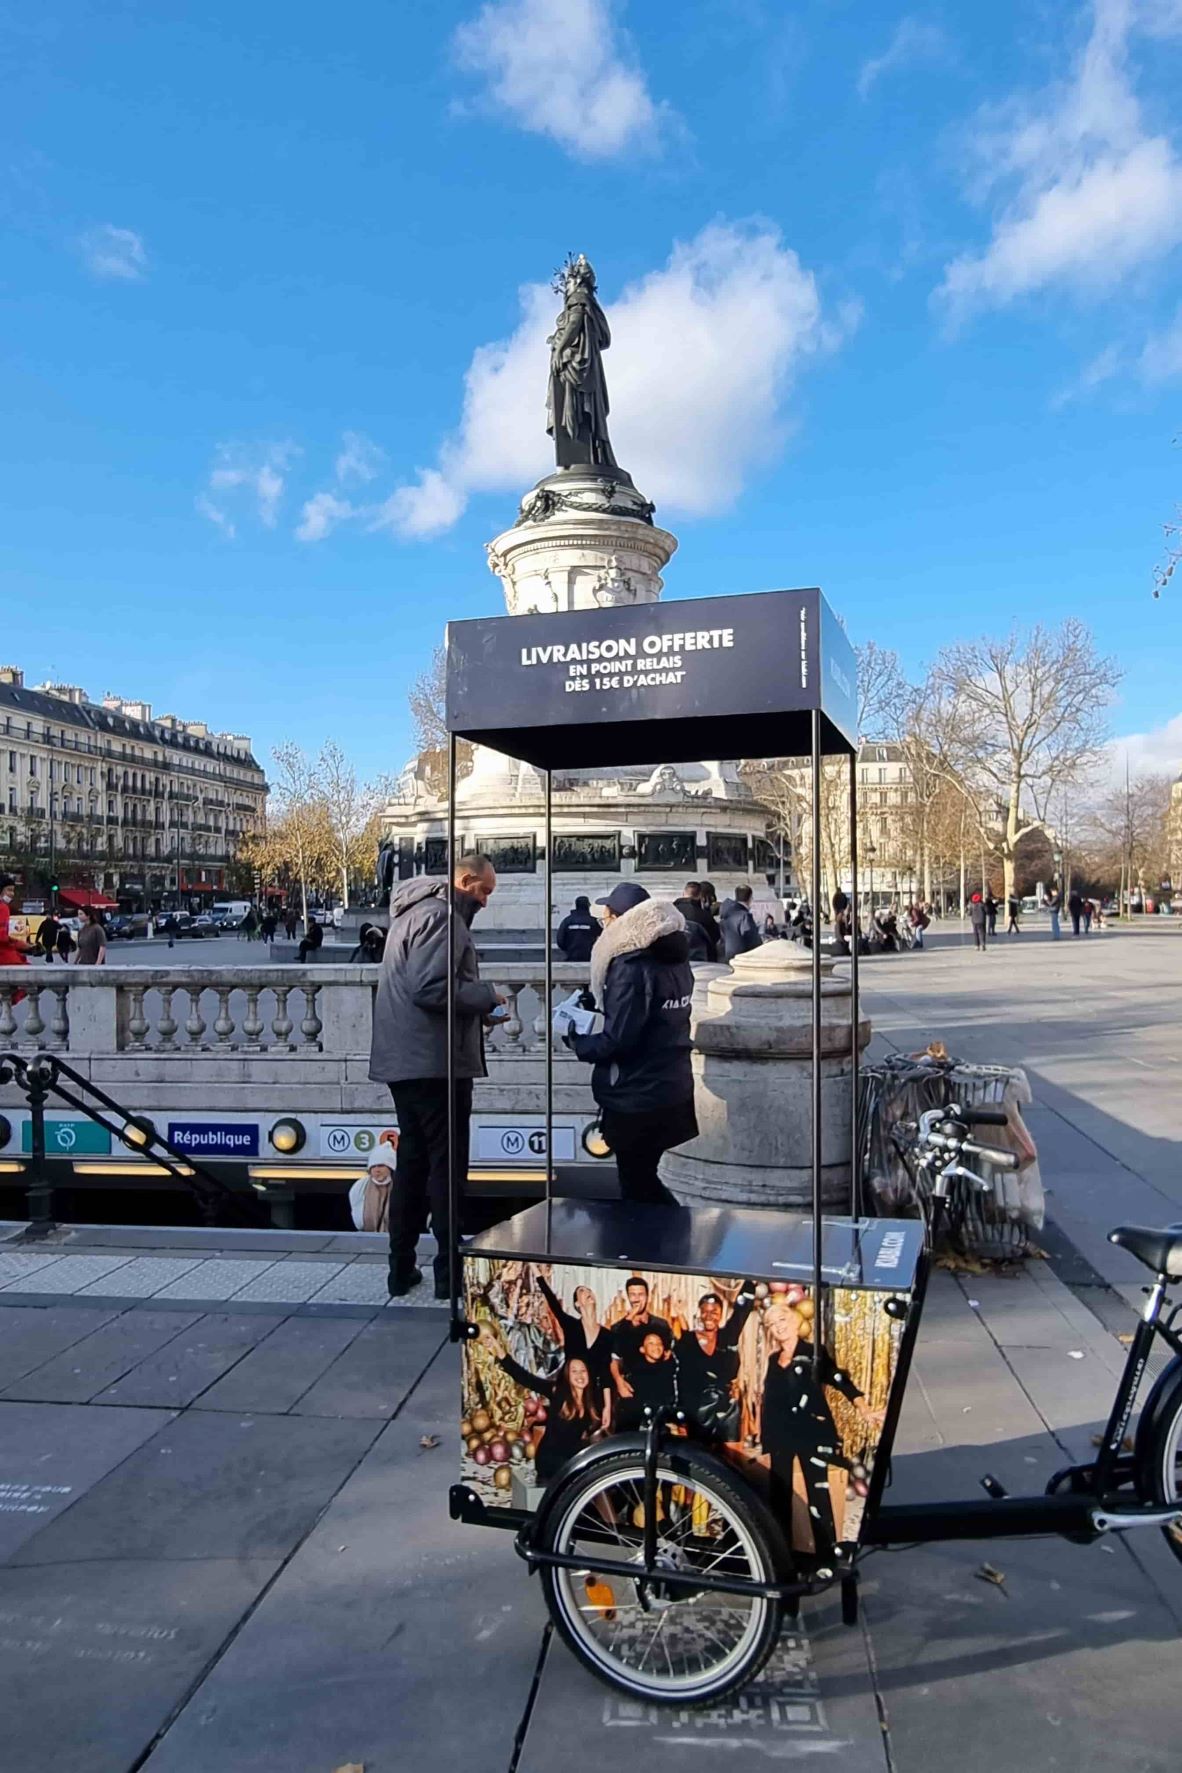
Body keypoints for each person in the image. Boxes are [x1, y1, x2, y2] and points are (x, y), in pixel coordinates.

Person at [368, 854, 504, 1299]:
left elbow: (427, 987)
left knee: (412, 1164)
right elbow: (431, 988)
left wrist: (476, 1012)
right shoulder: (442, 917)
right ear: (465, 880)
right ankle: (449, 1272)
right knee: (447, 1167)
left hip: (407, 1058)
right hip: (434, 1064)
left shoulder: (415, 913)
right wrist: (486, 996)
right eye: (483, 891)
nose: (485, 901)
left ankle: (400, 1267)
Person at [567, 882, 696, 1207]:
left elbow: (619, 1038)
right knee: (645, 1176)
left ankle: (668, 1247)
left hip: (636, 1094)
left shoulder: (631, 965)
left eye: (606, 916)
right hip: (671, 1085)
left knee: (637, 1184)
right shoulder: (676, 959)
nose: (603, 923)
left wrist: (579, 1042)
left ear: (619, 919)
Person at [760, 1302, 883, 1574]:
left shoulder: (812, 1354)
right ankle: (784, 1557)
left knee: (818, 1493)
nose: (778, 1327)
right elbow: (770, 1402)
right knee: (780, 1496)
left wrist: (863, 1407)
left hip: (810, 1434)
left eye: (782, 1320)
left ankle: (826, 1556)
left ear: (793, 1322)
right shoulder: (772, 1360)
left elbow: (839, 1379)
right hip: (781, 1438)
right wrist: (765, 1438)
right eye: (772, 1324)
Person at [478, 1325, 606, 1485]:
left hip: (572, 1458)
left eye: (583, 1371)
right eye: (574, 1371)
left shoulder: (593, 1401)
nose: (580, 1376)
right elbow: (523, 1377)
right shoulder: (557, 1392)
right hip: (551, 1459)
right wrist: (498, 1348)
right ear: (567, 1375)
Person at [673, 1279, 756, 1441]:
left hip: (725, 1407)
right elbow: (679, 1378)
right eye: (705, 1311)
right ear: (699, 1312)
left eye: (714, 1312)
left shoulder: (728, 1336)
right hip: (696, 1409)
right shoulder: (687, 1340)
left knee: (729, 1455)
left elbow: (742, 1310)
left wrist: (750, 1284)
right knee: (700, 1456)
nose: (709, 1316)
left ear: (721, 1314)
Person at [535, 1268, 615, 1423]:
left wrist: (607, 1407)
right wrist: (536, 1272)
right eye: (582, 1291)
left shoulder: (607, 1335)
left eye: (589, 1290)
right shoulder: (571, 1325)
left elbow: (606, 1373)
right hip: (568, 1392)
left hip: (591, 1396)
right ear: (578, 1303)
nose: (587, 1292)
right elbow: (552, 1301)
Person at [609, 1276, 673, 1429]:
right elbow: (613, 1360)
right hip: (631, 1390)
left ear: (647, 1296)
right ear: (628, 1297)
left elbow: (669, 1357)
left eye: (641, 1294)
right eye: (633, 1294)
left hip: (657, 1391)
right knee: (627, 1438)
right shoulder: (619, 1328)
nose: (637, 1299)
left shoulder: (661, 1325)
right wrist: (619, 1382)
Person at [0, 877, 33, 996]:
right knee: (31, 978)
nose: (12, 894)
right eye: (9, 890)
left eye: (13, 890)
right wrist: (21, 945)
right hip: (4, 955)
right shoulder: (3, 908)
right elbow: (2, 937)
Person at [673, 881, 720, 963]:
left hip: (675, 957)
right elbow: (715, 937)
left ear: (683, 893)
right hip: (699, 959)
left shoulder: (670, 912)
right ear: (699, 895)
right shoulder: (704, 916)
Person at [718, 883, 761, 960]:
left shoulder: (726, 913)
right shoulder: (744, 916)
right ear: (750, 898)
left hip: (726, 956)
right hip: (741, 959)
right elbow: (753, 940)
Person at [555, 895, 602, 964]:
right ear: (588, 906)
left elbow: (560, 940)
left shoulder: (567, 921)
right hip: (589, 957)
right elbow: (602, 937)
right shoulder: (593, 921)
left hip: (571, 956)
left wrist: (568, 950)